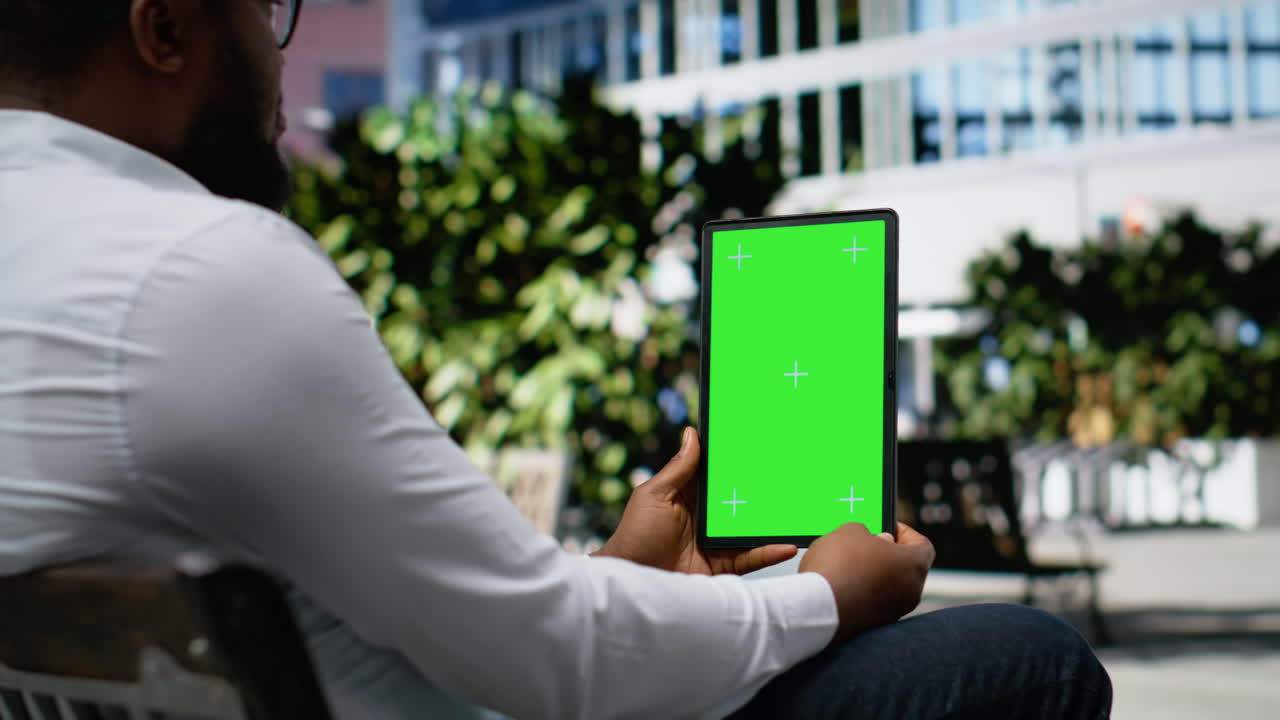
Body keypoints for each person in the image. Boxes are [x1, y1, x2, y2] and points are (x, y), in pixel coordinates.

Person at [0, 1, 1112, 718]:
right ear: (164, 30)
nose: (278, 57)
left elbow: (487, 619)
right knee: (1024, 658)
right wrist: (823, 596)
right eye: (267, 12)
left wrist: (617, 578)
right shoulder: (196, 269)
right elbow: (546, 659)